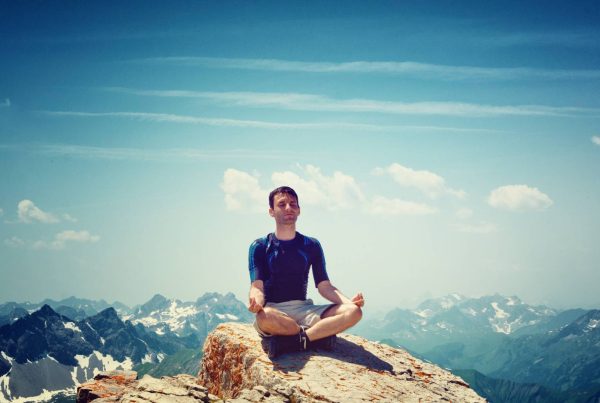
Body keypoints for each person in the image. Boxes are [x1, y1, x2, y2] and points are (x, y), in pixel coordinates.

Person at [248, 186, 364, 357]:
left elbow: (324, 286)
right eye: (282, 204)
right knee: (264, 317)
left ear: (299, 210)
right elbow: (257, 286)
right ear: (271, 211)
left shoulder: (311, 245)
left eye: (293, 204)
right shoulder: (259, 246)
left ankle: (297, 340)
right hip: (274, 311)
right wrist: (256, 302)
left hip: (305, 310)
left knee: (355, 312)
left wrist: (349, 303)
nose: (288, 208)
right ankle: (317, 336)